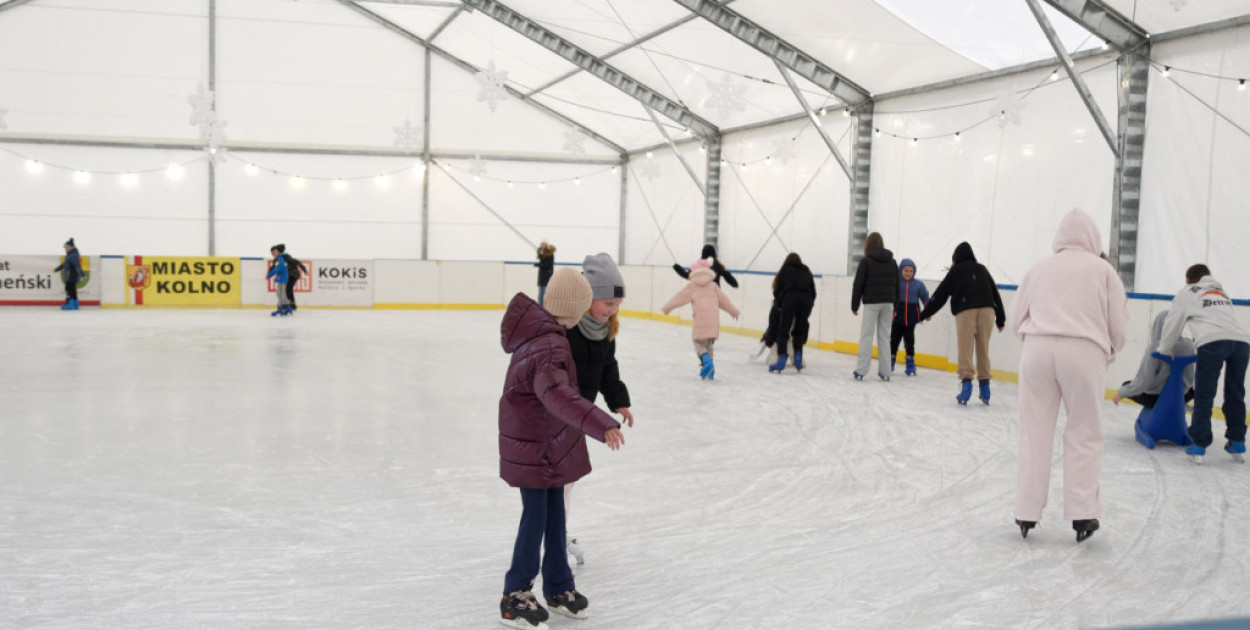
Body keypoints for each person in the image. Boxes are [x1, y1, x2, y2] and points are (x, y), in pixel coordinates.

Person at [498, 267, 625, 628]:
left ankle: (558, 586)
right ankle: (515, 594)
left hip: (548, 445)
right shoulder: (550, 345)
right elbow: (558, 396)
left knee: (555, 516)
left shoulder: (545, 335)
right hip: (536, 446)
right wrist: (601, 422)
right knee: (536, 519)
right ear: (574, 308)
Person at [1009, 208, 1128, 543]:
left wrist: (1035, 340)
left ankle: (1026, 511)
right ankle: (1082, 513)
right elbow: (1118, 325)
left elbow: (1018, 316)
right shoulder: (1103, 270)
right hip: (1085, 350)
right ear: (1093, 239)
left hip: (1037, 349)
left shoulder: (1039, 268)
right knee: (1085, 431)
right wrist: (1108, 351)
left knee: (1034, 430)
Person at [562, 253, 634, 568]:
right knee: (559, 477)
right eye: (607, 302)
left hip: (579, 415)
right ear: (588, 298)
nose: (612, 309)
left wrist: (618, 400)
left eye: (617, 304)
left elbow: (607, 368)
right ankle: (554, 534)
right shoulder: (568, 329)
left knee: (568, 478)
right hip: (558, 412)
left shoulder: (605, 331)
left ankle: (556, 531)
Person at [1156, 264, 1250, 463]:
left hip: (1212, 341)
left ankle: (1198, 445)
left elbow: (1173, 322)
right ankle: (1237, 440)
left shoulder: (1187, 292)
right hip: (1242, 342)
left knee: (1205, 394)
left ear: (1189, 279)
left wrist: (1164, 350)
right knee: (1235, 392)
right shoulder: (1221, 293)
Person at [919, 242, 1006, 405]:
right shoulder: (982, 269)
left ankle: (966, 386)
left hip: (966, 310)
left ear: (956, 258)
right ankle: (985, 387)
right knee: (983, 347)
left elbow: (940, 295)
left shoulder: (956, 271)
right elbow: (996, 294)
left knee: (965, 348)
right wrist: (1001, 319)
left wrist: (924, 314)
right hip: (988, 310)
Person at [661, 258, 740, 380]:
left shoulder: (692, 286)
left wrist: (667, 308)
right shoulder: (713, 285)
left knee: (699, 344)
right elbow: (724, 301)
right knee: (709, 345)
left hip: (700, 322)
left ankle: (706, 360)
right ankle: (710, 371)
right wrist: (733, 311)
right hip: (713, 323)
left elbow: (679, 298)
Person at [1113, 310, 1196, 408]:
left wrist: (1122, 393)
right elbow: (1191, 379)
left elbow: (1144, 382)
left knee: (1126, 385)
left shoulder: (1155, 348)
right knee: (1192, 389)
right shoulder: (1189, 346)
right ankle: (1178, 404)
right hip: (1181, 396)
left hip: (1156, 398)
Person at [851, 233, 899, 381]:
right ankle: (886, 372)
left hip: (872, 302)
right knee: (884, 337)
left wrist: (855, 304)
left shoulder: (866, 262)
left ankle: (861, 370)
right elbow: (898, 286)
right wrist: (895, 306)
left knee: (867, 335)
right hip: (888, 302)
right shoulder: (892, 262)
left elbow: (858, 284)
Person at [768, 253, 817, 374]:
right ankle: (798, 359)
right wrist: (809, 304)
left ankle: (781, 360)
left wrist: (779, 304)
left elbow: (778, 289)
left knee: (783, 330)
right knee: (799, 330)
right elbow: (813, 291)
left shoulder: (785, 269)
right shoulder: (806, 270)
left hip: (790, 299)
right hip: (807, 300)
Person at [890, 258, 929, 377]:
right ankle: (890, 362)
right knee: (894, 340)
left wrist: (927, 313)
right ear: (900, 270)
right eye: (906, 270)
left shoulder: (918, 285)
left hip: (911, 318)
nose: (908, 273)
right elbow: (890, 297)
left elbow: (925, 298)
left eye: (911, 271)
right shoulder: (896, 283)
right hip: (897, 316)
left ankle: (910, 364)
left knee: (910, 342)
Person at [672, 244, 738, 288]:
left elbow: (687, 275)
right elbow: (727, 276)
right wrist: (735, 284)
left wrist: (677, 267)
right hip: (714, 294)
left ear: (703, 253)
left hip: (700, 294)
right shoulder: (717, 265)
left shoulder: (698, 265)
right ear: (714, 254)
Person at [274, 244, 307, 312]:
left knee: (288, 288)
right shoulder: (279, 260)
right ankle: (286, 303)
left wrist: (305, 270)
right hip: (287, 275)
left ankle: (291, 303)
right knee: (285, 289)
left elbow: (299, 263)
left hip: (294, 275)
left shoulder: (290, 259)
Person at [53, 237, 83, 311]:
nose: (65, 249)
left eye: (66, 247)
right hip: (71, 275)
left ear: (70, 248)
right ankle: (75, 304)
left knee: (69, 289)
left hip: (71, 275)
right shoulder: (70, 255)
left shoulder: (72, 255)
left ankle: (70, 304)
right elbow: (65, 264)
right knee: (72, 290)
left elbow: (77, 265)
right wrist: (58, 269)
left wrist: (82, 274)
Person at [267, 245, 291, 317]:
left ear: (277, 251)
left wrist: (269, 275)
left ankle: (281, 309)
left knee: (281, 295)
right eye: (272, 253)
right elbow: (279, 269)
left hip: (282, 279)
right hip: (282, 279)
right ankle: (287, 308)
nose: (273, 254)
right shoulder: (280, 259)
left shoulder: (280, 259)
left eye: (273, 252)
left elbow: (278, 269)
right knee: (280, 294)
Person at [535, 242, 555, 307]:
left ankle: (545, 307)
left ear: (546, 246)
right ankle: (540, 307)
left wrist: (539, 265)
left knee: (545, 293)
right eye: (541, 245)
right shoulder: (541, 253)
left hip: (547, 276)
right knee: (540, 294)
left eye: (543, 245)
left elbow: (547, 265)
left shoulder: (550, 254)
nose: (542, 246)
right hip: (542, 277)